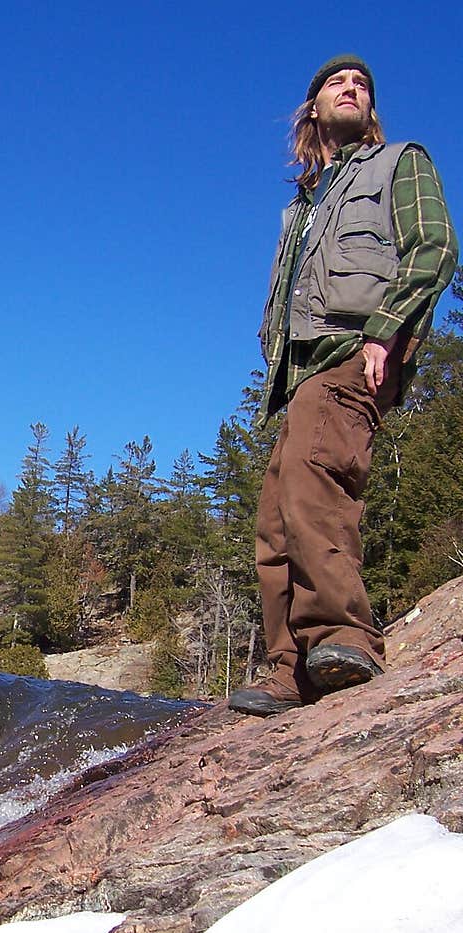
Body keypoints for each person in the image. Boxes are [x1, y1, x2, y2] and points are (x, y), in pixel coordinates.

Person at [230, 54, 458, 717]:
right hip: (303, 374)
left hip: (359, 353)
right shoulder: (302, 208)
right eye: (339, 83)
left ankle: (345, 634)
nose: (353, 89)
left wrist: (385, 330)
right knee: (274, 522)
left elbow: (435, 247)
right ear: (313, 110)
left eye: (362, 86)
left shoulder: (399, 163)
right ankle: (288, 670)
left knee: (312, 480)